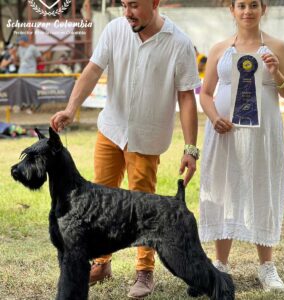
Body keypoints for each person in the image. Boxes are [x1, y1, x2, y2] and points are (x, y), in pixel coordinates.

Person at [50, 0, 200, 298]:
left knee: (145, 208)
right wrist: (71, 108)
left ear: (154, 3)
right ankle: (101, 263)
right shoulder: (115, 30)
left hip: (147, 138)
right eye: (123, 5)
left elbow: (186, 97)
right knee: (97, 199)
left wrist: (191, 148)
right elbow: (93, 70)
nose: (127, 12)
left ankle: (144, 271)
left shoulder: (179, 43)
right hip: (112, 130)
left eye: (134, 5)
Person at [199, 0, 284, 293]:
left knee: (262, 188)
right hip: (225, 133)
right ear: (232, 9)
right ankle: (220, 264)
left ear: (263, 8)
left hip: (263, 135)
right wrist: (214, 117)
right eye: (241, 5)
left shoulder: (277, 47)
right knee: (223, 189)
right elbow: (205, 93)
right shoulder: (219, 49)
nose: (247, 11)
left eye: (254, 4)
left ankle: (267, 266)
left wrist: (277, 74)